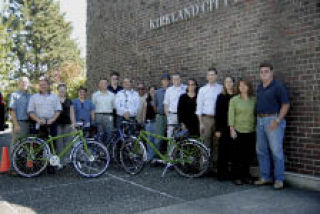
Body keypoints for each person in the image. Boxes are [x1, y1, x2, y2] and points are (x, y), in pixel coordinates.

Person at [254, 63, 290, 190]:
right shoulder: (259, 87)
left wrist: (278, 120)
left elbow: (286, 105)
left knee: (276, 151)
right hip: (260, 120)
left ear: (271, 72)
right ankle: (266, 177)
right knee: (261, 150)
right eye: (261, 72)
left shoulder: (278, 86)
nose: (264, 74)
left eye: (266, 71)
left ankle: (279, 179)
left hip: (273, 120)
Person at [228, 79, 256, 185]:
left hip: (251, 130)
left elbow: (255, 115)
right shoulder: (234, 100)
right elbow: (231, 115)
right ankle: (237, 176)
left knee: (248, 155)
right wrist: (232, 129)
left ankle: (246, 175)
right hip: (238, 131)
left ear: (249, 87)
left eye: (245, 85)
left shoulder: (254, 100)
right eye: (240, 86)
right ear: (238, 88)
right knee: (237, 155)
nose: (242, 87)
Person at [196, 68, 223, 172]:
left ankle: (215, 167)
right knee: (205, 143)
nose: (211, 77)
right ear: (207, 77)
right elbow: (199, 107)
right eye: (209, 75)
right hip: (206, 119)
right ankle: (203, 167)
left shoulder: (221, 88)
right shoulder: (203, 90)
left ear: (216, 76)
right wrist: (201, 123)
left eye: (213, 75)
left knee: (217, 144)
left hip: (218, 119)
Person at [8, 77, 31, 175]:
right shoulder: (14, 95)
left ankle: (23, 167)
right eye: (22, 82)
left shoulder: (30, 96)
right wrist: (16, 124)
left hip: (30, 123)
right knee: (16, 145)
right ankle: (13, 168)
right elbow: (12, 110)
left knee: (26, 146)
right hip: (19, 123)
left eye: (26, 82)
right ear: (19, 83)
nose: (24, 84)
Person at [215, 76, 235, 181]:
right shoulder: (220, 97)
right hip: (223, 127)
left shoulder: (237, 96)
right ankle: (221, 174)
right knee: (223, 151)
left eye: (230, 81)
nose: (228, 83)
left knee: (234, 151)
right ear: (224, 84)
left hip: (235, 127)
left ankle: (233, 174)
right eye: (226, 82)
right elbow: (218, 114)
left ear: (233, 83)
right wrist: (217, 129)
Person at [56, 83, 76, 164]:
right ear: (58, 91)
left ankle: (66, 161)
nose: (62, 91)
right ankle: (59, 161)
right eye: (61, 90)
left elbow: (72, 113)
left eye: (64, 90)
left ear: (66, 91)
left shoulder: (69, 101)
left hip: (68, 124)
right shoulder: (55, 100)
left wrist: (74, 124)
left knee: (68, 143)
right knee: (59, 143)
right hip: (57, 124)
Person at [92, 79, 115, 144]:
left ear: (107, 85)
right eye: (101, 83)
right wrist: (93, 118)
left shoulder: (112, 95)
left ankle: (107, 149)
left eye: (105, 83)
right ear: (99, 85)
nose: (103, 85)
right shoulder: (95, 95)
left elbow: (114, 106)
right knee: (100, 134)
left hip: (109, 116)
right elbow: (93, 107)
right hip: (98, 116)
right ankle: (100, 151)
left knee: (109, 133)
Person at [163, 73, 186, 137]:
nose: (176, 80)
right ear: (172, 80)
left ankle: (182, 147)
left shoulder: (185, 89)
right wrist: (168, 116)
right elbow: (166, 104)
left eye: (177, 79)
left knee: (183, 133)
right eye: (174, 79)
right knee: (170, 135)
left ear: (180, 79)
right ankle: (171, 147)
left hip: (183, 115)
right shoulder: (169, 90)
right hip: (172, 116)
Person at [154, 73, 170, 155]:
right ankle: (158, 156)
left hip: (169, 116)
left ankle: (169, 156)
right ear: (161, 81)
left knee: (169, 137)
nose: (165, 82)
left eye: (167, 80)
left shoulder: (171, 91)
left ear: (169, 81)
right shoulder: (157, 92)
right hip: (160, 116)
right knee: (158, 137)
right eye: (164, 80)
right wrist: (159, 113)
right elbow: (155, 105)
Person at [141, 86, 157, 161]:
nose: (152, 92)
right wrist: (143, 121)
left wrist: (154, 102)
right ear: (149, 91)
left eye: (154, 90)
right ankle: (150, 156)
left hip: (156, 122)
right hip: (149, 122)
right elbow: (144, 111)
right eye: (151, 90)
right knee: (149, 140)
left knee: (156, 140)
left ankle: (155, 156)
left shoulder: (157, 100)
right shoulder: (146, 100)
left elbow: (157, 111)